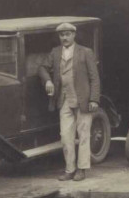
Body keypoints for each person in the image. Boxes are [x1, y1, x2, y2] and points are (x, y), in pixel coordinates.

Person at [38, 22, 100, 182]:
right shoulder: (55, 52)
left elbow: (94, 78)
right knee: (66, 137)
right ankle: (69, 169)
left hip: (83, 100)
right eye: (61, 35)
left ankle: (82, 169)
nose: (64, 37)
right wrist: (48, 82)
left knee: (84, 135)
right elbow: (42, 68)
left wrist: (94, 99)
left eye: (67, 34)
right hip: (63, 99)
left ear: (74, 35)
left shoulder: (85, 52)